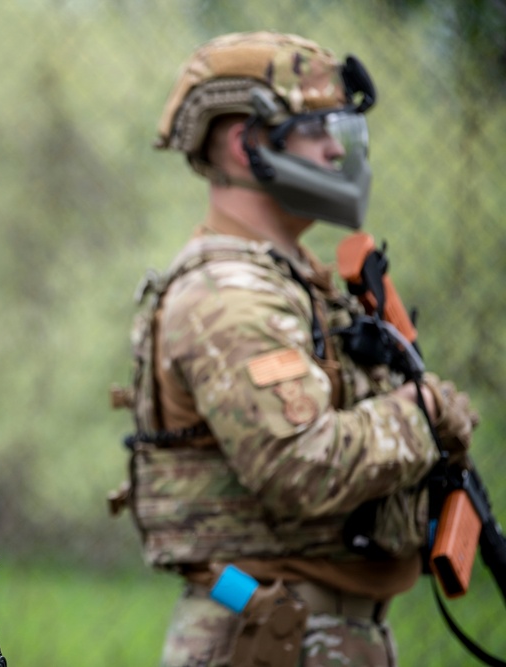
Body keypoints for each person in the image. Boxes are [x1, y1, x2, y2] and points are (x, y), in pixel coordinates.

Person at [108, 31, 478, 666]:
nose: (339, 149)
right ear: (245, 143)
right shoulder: (229, 293)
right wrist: (424, 413)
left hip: (311, 633)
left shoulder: (294, 282)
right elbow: (303, 467)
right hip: (269, 637)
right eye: (317, 129)